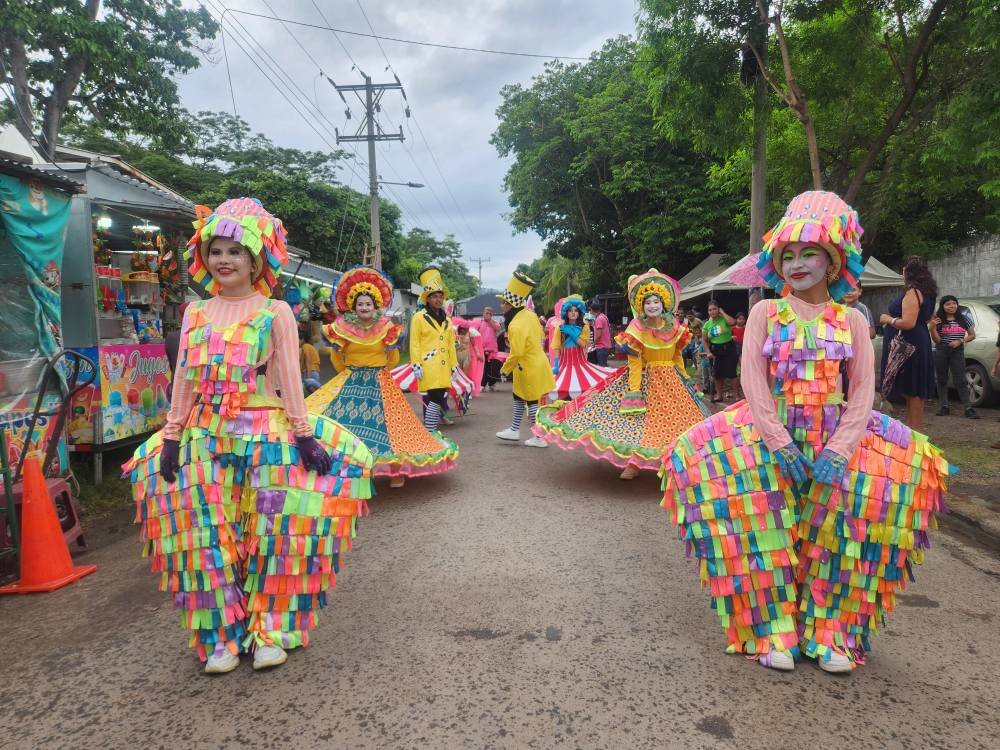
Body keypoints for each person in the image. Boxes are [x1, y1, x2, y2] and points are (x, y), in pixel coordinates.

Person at [662, 190, 955, 675]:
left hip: (835, 442)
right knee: (761, 528)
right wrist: (777, 441)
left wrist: (841, 449)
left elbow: (863, 391)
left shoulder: (852, 322)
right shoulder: (764, 314)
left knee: (839, 535)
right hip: (765, 440)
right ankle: (771, 628)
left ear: (833, 260)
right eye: (788, 255)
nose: (798, 264)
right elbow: (753, 384)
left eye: (809, 253)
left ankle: (831, 631)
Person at [123, 198, 374, 674]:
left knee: (275, 533)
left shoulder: (275, 311)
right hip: (206, 436)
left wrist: (303, 434)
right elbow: (184, 380)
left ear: (254, 260)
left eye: (235, 252)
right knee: (202, 537)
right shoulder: (195, 313)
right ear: (205, 258)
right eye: (216, 251)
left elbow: (288, 379)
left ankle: (270, 631)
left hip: (266, 431)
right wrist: (173, 435)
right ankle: (220, 637)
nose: (224, 260)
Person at [534, 269, 709, 479]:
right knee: (636, 425)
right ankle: (634, 463)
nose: (652, 306)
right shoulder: (636, 328)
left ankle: (678, 463)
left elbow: (677, 358)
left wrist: (686, 381)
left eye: (656, 302)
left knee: (679, 424)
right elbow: (635, 363)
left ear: (664, 304)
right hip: (645, 381)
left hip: (673, 382)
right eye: (647, 303)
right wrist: (635, 392)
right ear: (641, 307)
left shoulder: (676, 328)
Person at [306, 267, 458, 489]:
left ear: (375, 305)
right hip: (351, 380)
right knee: (346, 427)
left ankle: (397, 471)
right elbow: (337, 355)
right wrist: (348, 372)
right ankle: (348, 468)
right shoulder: (343, 328)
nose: (364, 308)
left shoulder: (386, 328)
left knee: (392, 432)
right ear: (353, 306)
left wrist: (380, 371)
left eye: (368, 304)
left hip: (380, 380)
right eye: (360, 304)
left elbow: (393, 356)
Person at [494, 271, 556, 447]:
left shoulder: (515, 324)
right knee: (519, 397)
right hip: (534, 364)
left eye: (503, 303)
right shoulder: (530, 314)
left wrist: (504, 369)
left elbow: (517, 352)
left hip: (527, 366)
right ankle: (514, 430)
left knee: (530, 401)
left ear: (510, 305)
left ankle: (539, 437)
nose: (501, 306)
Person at [878, 256, 938, 430]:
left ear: (906, 271)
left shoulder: (913, 292)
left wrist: (888, 319)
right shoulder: (928, 292)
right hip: (918, 340)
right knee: (912, 390)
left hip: (910, 345)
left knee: (914, 391)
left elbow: (908, 322)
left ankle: (915, 433)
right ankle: (912, 431)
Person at [408, 266, 458, 433]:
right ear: (427, 299)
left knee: (439, 397)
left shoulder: (447, 320)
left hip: (444, 367)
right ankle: (429, 432)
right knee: (435, 397)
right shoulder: (419, 317)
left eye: (440, 296)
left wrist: (454, 365)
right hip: (428, 366)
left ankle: (430, 431)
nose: (437, 299)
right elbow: (414, 342)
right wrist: (415, 364)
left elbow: (450, 344)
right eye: (434, 297)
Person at [549, 294, 617, 400]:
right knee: (564, 395)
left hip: (580, 364)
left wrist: (571, 334)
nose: (573, 313)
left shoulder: (584, 327)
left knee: (581, 395)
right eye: (570, 310)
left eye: (575, 310)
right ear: (566, 312)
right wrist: (556, 364)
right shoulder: (560, 328)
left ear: (579, 312)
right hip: (564, 365)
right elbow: (557, 347)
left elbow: (584, 345)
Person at [929, 295, 978, 419]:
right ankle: (944, 406)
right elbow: (937, 340)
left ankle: (968, 408)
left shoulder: (964, 318)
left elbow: (972, 335)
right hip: (941, 350)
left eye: (954, 303)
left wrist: (960, 341)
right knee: (941, 379)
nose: (951, 306)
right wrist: (933, 328)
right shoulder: (939, 319)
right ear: (943, 306)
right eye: (948, 304)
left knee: (961, 380)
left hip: (957, 351)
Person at [703, 300, 738, 402]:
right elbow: (704, 341)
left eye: (714, 309)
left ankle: (737, 395)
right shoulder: (707, 325)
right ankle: (719, 395)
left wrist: (722, 312)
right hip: (715, 350)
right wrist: (708, 352)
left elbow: (733, 322)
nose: (712, 312)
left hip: (729, 348)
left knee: (732, 373)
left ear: (718, 309)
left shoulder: (724, 319)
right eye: (710, 310)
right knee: (717, 375)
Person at [472, 306, 502, 391]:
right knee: (483, 368)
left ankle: (492, 384)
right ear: (483, 313)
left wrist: (490, 321)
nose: (488, 315)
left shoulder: (495, 322)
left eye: (490, 313)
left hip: (492, 350)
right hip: (482, 349)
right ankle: (482, 384)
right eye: (486, 313)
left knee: (492, 368)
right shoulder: (479, 323)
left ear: (492, 314)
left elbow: (498, 328)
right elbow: (473, 333)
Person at [587, 301, 612, 366]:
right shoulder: (603, 316)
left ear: (592, 310)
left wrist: (593, 345)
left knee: (602, 366)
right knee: (604, 365)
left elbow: (598, 335)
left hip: (602, 346)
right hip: (606, 345)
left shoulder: (599, 319)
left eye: (590, 310)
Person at [299, 325, 322, 393]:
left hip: (309, 372)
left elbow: (308, 361)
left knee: (314, 394)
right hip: (314, 371)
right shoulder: (310, 346)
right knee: (314, 394)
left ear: (302, 339)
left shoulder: (305, 346)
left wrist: (308, 377)